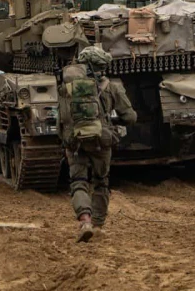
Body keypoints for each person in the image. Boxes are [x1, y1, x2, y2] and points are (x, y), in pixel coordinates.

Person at [59, 46, 137, 243]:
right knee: (101, 181)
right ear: (103, 65)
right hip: (101, 141)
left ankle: (85, 221)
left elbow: (61, 115)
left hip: (75, 141)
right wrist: (112, 124)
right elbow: (130, 117)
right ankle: (98, 225)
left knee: (78, 182)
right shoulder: (112, 87)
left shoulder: (69, 86)